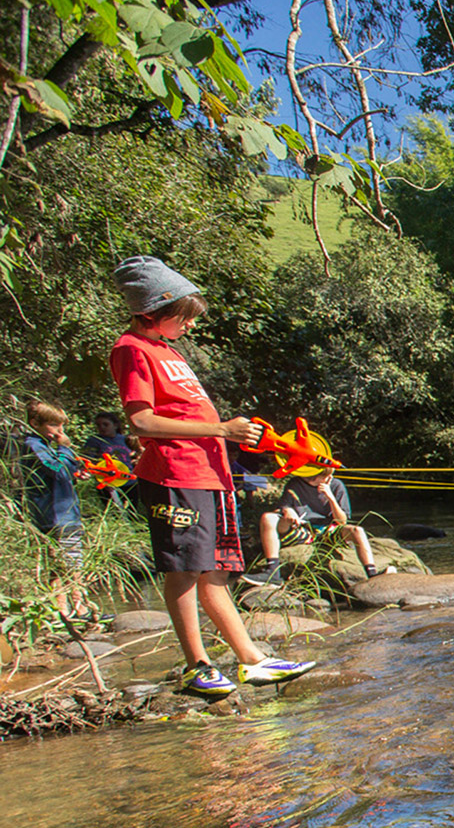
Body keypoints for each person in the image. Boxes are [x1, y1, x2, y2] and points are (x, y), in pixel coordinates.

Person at [109, 255, 316, 696]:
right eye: (183, 317)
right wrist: (220, 429)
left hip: (210, 475)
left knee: (217, 571)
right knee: (184, 569)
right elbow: (142, 422)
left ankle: (251, 660)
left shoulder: (167, 350)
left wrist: (240, 438)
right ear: (154, 309)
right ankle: (196, 665)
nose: (189, 326)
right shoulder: (131, 349)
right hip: (175, 476)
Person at [248, 464, 382, 587]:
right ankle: (272, 572)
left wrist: (330, 497)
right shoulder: (295, 484)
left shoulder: (336, 485)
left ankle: (371, 572)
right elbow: (283, 506)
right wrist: (287, 511)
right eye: (324, 476)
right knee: (268, 517)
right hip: (302, 531)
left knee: (357, 530)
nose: (330, 478)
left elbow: (342, 521)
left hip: (328, 531)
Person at [19, 400, 92, 620]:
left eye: (61, 426)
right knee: (71, 562)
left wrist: (76, 473)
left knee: (63, 563)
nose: (60, 431)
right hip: (56, 516)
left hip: (63, 513)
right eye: (53, 425)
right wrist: (66, 448)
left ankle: (64, 610)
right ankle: (80, 609)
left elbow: (63, 474)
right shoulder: (34, 445)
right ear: (35, 423)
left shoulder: (44, 446)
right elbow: (58, 472)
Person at [80, 410, 138, 509]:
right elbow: (87, 459)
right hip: (108, 482)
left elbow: (135, 455)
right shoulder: (94, 441)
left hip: (129, 481)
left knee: (132, 511)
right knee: (115, 511)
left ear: (115, 425)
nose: (101, 427)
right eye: (98, 425)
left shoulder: (125, 439)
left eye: (105, 424)